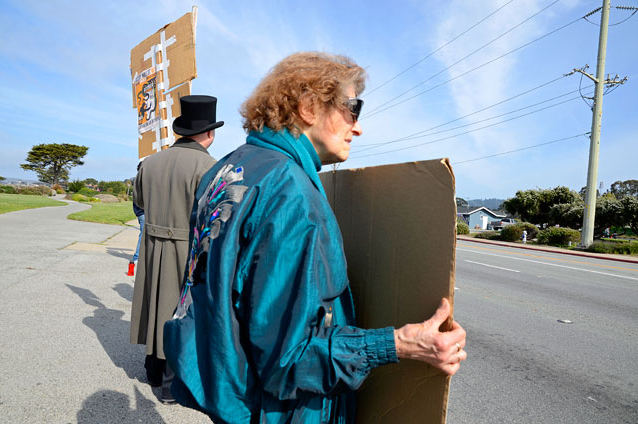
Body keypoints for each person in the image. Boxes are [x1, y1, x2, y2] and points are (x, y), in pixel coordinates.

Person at [164, 53, 466, 422]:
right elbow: (289, 361)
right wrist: (398, 344)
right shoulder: (289, 193)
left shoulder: (229, 167)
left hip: (228, 388)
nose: (358, 127)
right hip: (273, 409)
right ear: (308, 106)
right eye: (353, 109)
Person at [130, 95, 223, 403]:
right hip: (187, 248)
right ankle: (171, 386)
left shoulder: (150, 163)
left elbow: (140, 203)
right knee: (179, 312)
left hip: (153, 245)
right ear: (209, 133)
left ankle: (152, 370)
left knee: (155, 304)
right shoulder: (211, 166)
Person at [127, 164, 145, 277]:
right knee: (143, 234)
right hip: (143, 212)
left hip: (143, 212)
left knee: (144, 235)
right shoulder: (139, 181)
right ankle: (136, 258)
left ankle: (138, 258)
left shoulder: (139, 180)